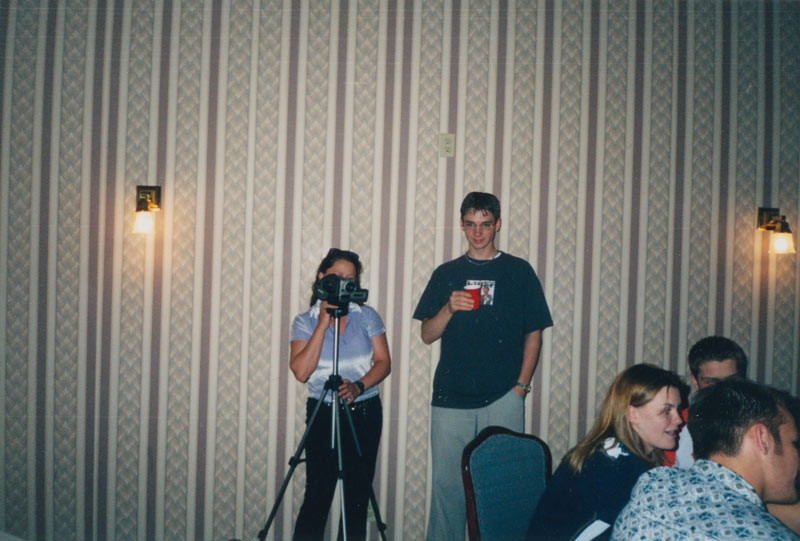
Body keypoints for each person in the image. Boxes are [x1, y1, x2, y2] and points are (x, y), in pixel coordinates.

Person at [413, 192, 553, 541]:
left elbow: (533, 334)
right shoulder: (447, 273)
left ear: (498, 225)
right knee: (448, 491)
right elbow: (426, 335)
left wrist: (520, 388)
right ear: (462, 225)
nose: (478, 233)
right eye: (471, 225)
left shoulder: (519, 271)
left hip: (503, 398)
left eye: (485, 225)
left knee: (503, 491)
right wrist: (448, 308)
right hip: (450, 399)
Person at [612, 379, 799, 540]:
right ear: (763, 439)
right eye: (794, 443)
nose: (678, 420)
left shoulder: (654, 483)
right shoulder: (768, 535)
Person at [289, 249, 391, 541]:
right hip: (323, 413)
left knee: (356, 497)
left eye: (350, 279)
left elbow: (384, 362)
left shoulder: (366, 315)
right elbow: (301, 372)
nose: (344, 283)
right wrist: (323, 322)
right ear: (322, 277)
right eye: (337, 277)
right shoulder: (304, 321)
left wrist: (359, 385)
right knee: (317, 495)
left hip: (364, 412)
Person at [525, 364, 686, 541]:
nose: (678, 419)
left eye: (677, 409)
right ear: (633, 414)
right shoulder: (615, 467)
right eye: (666, 411)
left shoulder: (621, 454)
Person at [665, 336, 747, 468]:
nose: (722, 389)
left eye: (731, 380)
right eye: (711, 382)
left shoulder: (758, 423)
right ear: (695, 381)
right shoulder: (676, 426)